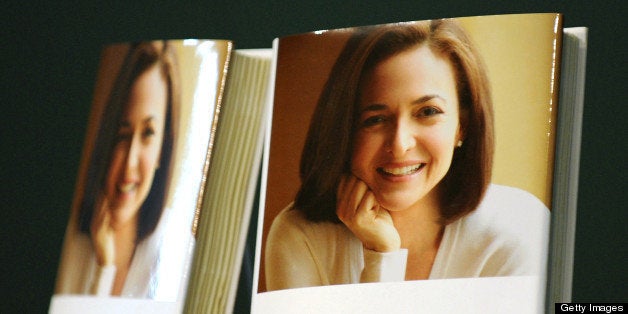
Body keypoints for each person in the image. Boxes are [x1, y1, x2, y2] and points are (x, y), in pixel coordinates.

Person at [265, 19, 549, 291]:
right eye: (375, 119)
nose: (399, 145)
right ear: (345, 130)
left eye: (428, 112)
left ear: (463, 125)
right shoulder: (299, 236)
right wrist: (381, 258)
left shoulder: (522, 228)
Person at [57, 41, 179, 297]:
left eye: (148, 133)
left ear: (162, 150)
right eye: (122, 135)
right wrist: (104, 267)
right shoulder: (70, 245)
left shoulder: (177, 250)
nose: (130, 161)